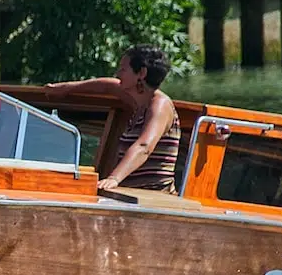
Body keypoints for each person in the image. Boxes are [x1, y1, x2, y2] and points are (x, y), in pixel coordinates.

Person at [46, 44, 181, 193]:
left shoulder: (160, 105)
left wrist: (114, 179)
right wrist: (66, 88)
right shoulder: (138, 101)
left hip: (156, 196)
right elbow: (108, 86)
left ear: (141, 73)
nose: (118, 74)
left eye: (123, 69)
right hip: (130, 193)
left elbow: (144, 147)